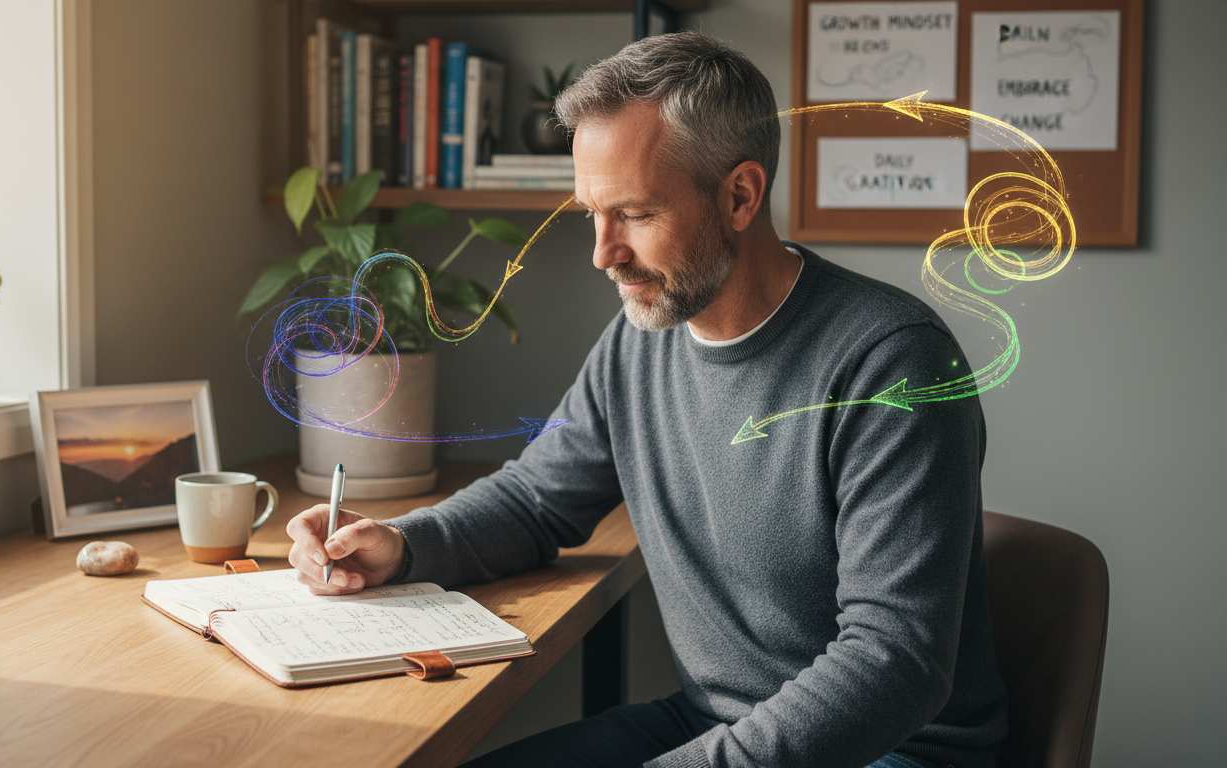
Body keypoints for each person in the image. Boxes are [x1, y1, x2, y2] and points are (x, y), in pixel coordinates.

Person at [286, 31, 1007, 768]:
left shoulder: (891, 361)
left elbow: (895, 664)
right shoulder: (643, 338)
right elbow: (539, 499)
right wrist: (404, 545)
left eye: (633, 214)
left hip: (893, 752)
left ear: (740, 196)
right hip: (713, 722)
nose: (604, 253)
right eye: (593, 214)